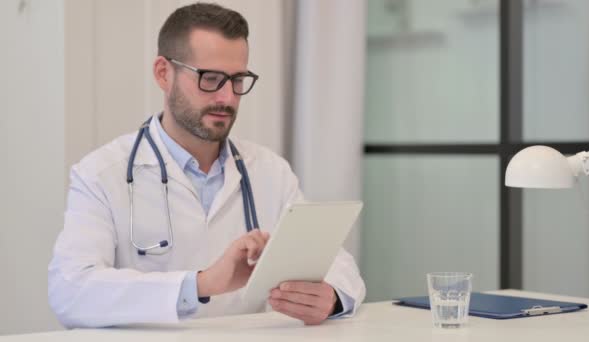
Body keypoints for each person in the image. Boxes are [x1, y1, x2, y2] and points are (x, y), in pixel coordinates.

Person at [48, 2, 365, 328]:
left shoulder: (270, 171)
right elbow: (70, 290)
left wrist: (331, 298)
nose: (227, 98)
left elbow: (338, 263)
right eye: (210, 79)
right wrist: (201, 284)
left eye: (237, 80)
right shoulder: (102, 173)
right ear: (163, 73)